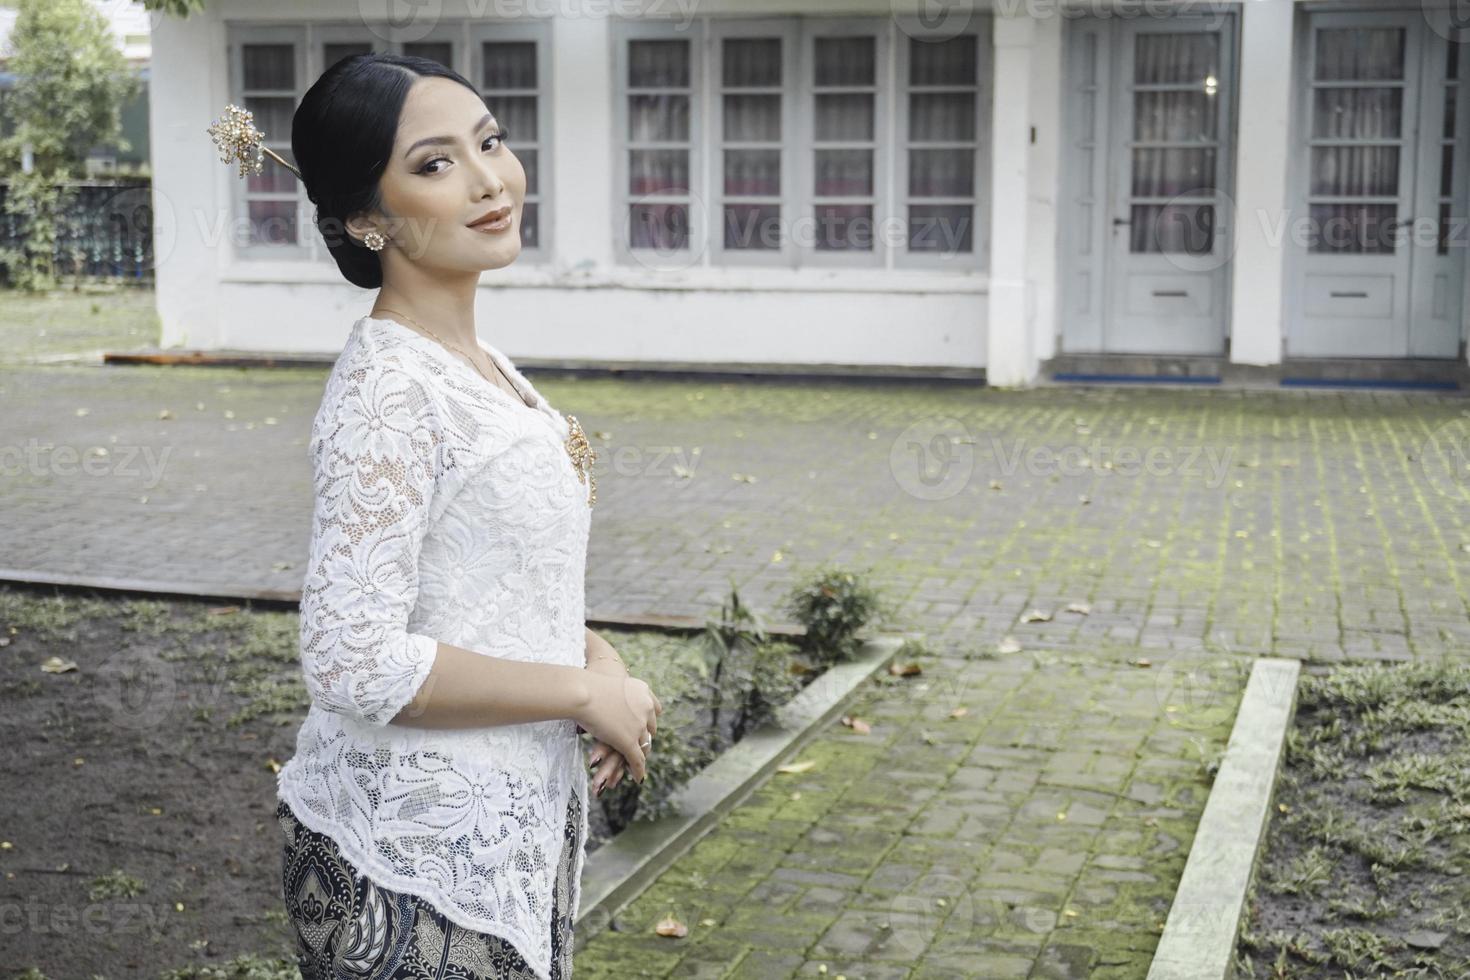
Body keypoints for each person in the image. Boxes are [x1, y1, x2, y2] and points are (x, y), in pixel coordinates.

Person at [272, 52, 662, 980]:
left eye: (489, 142)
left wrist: (601, 665)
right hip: (407, 863)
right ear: (366, 218)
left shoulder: (478, 363)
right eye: (436, 163)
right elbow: (351, 660)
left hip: (507, 837)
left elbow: (493, 586)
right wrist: (577, 694)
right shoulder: (389, 390)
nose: (490, 180)